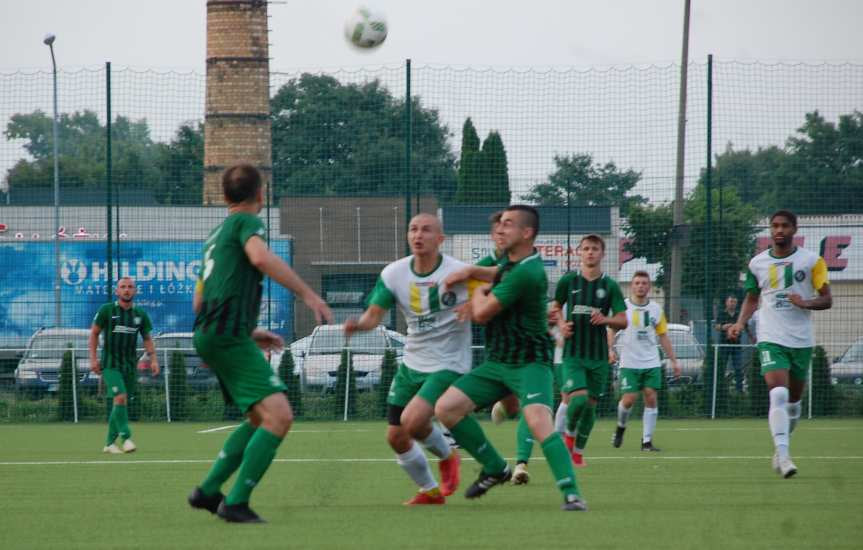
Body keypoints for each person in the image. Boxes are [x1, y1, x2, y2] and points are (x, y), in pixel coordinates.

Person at [187, 164, 333, 523]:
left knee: (258, 417)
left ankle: (208, 491)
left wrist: (248, 333)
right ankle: (235, 503)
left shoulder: (215, 235)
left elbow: (199, 302)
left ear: (224, 197)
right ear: (261, 196)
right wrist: (308, 294)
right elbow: (260, 257)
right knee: (280, 416)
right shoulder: (247, 223)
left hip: (213, 333)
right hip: (225, 336)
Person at [435, 205, 587, 511]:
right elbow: (492, 270)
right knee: (446, 409)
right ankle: (495, 467)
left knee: (537, 421)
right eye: (498, 225)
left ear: (527, 233)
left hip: (530, 362)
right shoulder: (505, 261)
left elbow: (480, 313)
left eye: (508, 224)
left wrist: (477, 290)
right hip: (497, 363)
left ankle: (571, 494)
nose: (500, 230)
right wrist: (470, 273)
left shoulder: (529, 272)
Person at [343, 213, 464, 505]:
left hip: (448, 362)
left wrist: (477, 303)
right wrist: (359, 325)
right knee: (396, 436)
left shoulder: (459, 271)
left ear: (441, 239)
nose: (418, 235)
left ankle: (448, 457)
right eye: (413, 229)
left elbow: (488, 295)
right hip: (412, 363)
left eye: (426, 229)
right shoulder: (393, 274)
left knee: (413, 421)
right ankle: (430, 491)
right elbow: (374, 316)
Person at [728, 210, 832, 478]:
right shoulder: (757, 263)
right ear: (770, 230)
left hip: (801, 340)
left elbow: (827, 299)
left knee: (794, 403)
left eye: (785, 226)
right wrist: (740, 323)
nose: (779, 230)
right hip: (771, 337)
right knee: (778, 394)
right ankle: (784, 457)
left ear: (794, 229)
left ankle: (781, 447)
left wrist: (805, 302)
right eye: (774, 226)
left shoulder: (812, 261)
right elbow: (752, 298)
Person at [553, 234, 627, 467]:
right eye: (586, 248)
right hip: (573, 354)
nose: (590, 252)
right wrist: (561, 325)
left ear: (602, 254)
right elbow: (555, 308)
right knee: (577, 401)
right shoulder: (568, 281)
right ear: (579, 253)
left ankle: (578, 452)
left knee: (590, 407)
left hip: (598, 356)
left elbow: (623, 320)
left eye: (595, 249)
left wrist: (605, 319)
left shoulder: (610, 285)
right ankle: (568, 439)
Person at [609, 271, 681, 451]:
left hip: (651, 362)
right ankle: (620, 428)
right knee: (628, 399)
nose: (640, 286)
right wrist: (609, 350)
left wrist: (674, 360)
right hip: (629, 362)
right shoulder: (623, 308)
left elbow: (663, 335)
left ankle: (646, 442)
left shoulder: (656, 309)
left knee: (651, 396)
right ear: (632, 286)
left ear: (649, 287)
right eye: (637, 283)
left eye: (644, 283)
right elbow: (611, 331)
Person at [89, 277, 159, 454]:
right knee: (120, 396)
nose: (126, 290)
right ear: (117, 291)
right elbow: (94, 334)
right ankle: (126, 438)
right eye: (123, 287)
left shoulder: (140, 314)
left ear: (135, 291)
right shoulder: (107, 310)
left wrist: (153, 359)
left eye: (130, 287)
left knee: (120, 401)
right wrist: (93, 359)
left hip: (129, 365)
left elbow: (147, 338)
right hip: (110, 363)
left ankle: (109, 444)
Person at [715, 295, 744, 392]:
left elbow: (744, 326)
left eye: (734, 302)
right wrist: (725, 327)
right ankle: (721, 388)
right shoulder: (722, 313)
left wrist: (738, 328)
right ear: (727, 302)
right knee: (722, 367)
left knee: (738, 367)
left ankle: (739, 390)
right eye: (731, 301)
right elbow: (717, 326)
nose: (733, 304)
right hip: (724, 345)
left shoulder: (739, 315)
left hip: (736, 345)